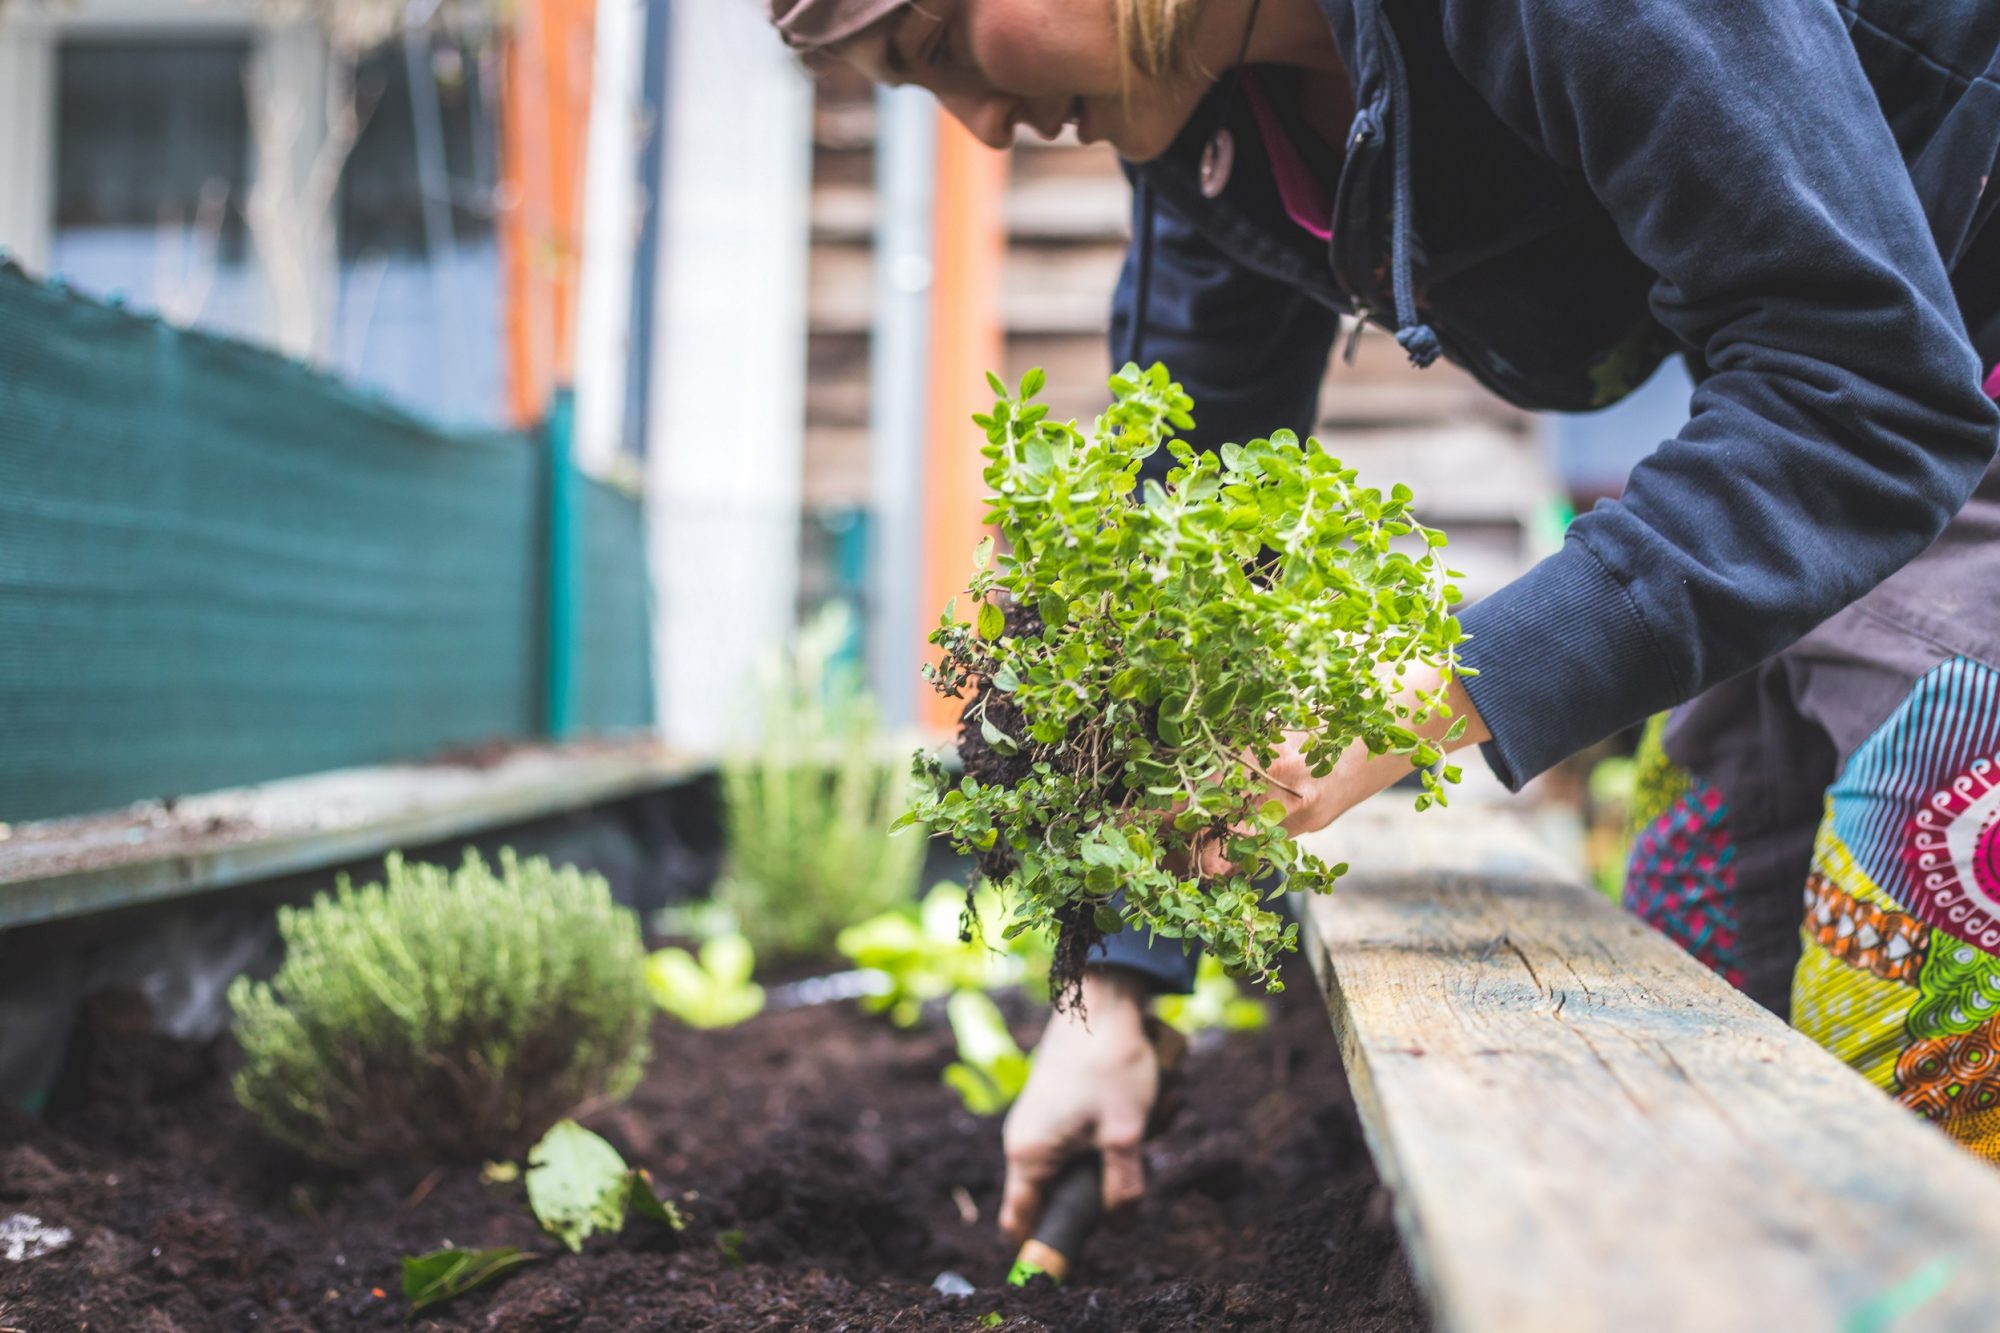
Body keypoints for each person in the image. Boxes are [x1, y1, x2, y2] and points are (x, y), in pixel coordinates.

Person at [768, 0, 2000, 1238]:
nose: (977, 126)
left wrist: (1415, 696)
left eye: (937, 49)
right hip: (1866, 415)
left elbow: (1861, 394)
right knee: (1706, 937)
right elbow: (1189, 513)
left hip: (1924, 385)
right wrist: (1112, 989)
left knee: (1931, 942)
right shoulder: (1214, 114)